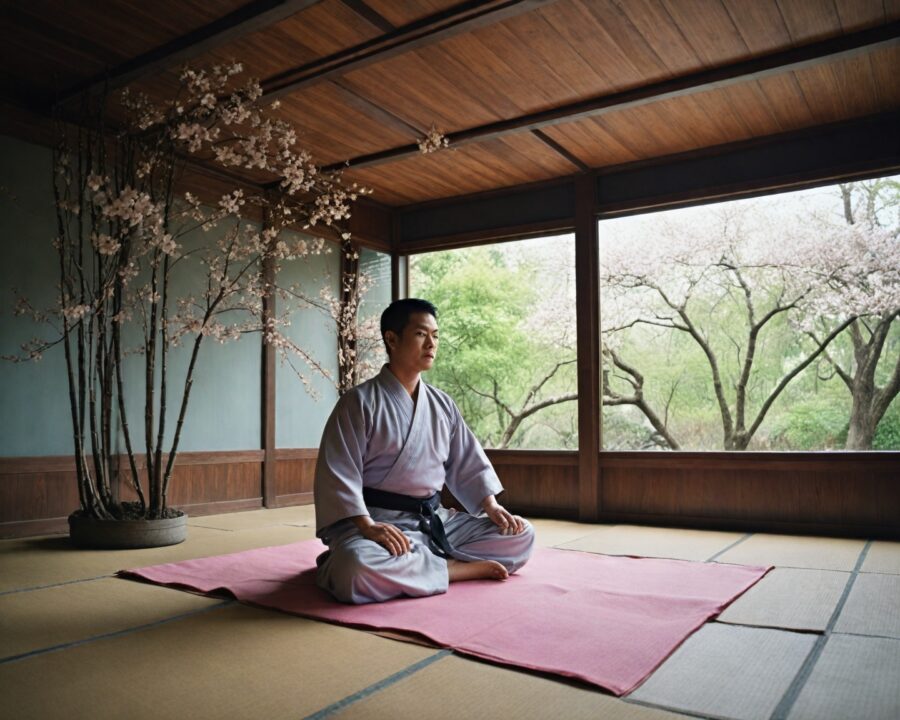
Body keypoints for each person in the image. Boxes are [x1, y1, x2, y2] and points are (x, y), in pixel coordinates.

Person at [313, 298, 535, 604]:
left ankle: (420, 564)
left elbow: (466, 460)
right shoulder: (359, 402)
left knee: (522, 536)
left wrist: (491, 506)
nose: (432, 343)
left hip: (434, 521)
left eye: (436, 335)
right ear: (391, 339)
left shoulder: (442, 404)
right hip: (379, 522)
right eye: (421, 334)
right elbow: (338, 474)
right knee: (355, 568)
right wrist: (368, 527)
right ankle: (451, 568)